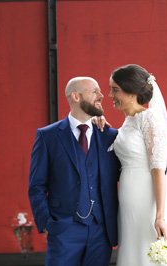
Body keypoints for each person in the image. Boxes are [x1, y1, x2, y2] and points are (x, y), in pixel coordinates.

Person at [108, 64, 167, 265]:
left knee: (149, 250)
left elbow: (159, 169)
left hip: (147, 199)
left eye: (115, 90)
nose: (109, 95)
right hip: (129, 201)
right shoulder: (127, 122)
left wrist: (160, 215)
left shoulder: (149, 119)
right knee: (134, 251)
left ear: (131, 92)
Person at [28, 77, 120, 266]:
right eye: (94, 91)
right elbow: (36, 185)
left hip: (101, 233)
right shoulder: (48, 136)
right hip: (63, 231)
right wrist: (48, 223)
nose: (101, 95)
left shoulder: (110, 136)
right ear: (75, 96)